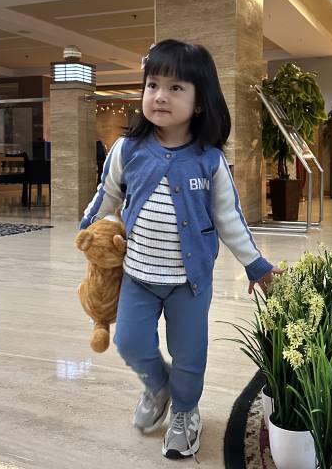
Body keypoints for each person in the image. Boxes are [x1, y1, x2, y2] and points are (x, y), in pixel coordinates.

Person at [80, 39, 280, 460]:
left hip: (190, 282)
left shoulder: (210, 161)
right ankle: (158, 386)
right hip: (137, 275)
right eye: (152, 85)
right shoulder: (127, 150)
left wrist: (256, 264)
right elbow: (108, 194)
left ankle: (186, 412)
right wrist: (89, 228)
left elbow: (229, 218)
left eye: (175, 88)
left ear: (200, 101)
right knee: (130, 342)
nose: (160, 96)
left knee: (189, 356)